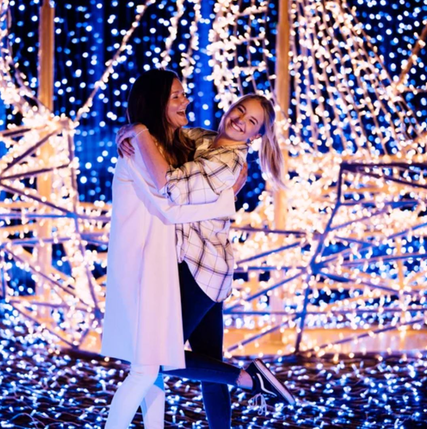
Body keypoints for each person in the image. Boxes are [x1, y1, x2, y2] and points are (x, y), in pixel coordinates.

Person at [102, 70, 294, 429]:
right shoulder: (202, 140)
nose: (240, 120)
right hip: (206, 267)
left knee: (158, 359)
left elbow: (172, 189)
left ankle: (250, 379)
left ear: (256, 136)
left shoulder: (227, 161)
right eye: (240, 110)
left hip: (199, 269)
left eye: (251, 122)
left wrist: (139, 132)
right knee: (208, 363)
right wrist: (130, 129)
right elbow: (171, 133)